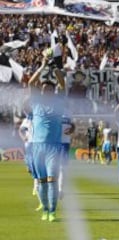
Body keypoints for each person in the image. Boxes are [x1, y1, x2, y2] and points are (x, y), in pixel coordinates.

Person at [27, 54, 65, 222]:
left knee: (52, 180)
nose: (46, 91)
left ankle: (53, 211)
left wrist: (54, 67)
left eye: (49, 89)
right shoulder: (36, 103)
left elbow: (63, 84)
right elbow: (30, 83)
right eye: (44, 89)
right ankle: (46, 209)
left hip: (53, 147)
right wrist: (42, 66)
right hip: (37, 146)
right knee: (41, 181)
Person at [18, 112, 42, 211]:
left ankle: (37, 188)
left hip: (37, 146)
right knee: (30, 170)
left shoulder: (40, 119)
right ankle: (36, 185)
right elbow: (20, 130)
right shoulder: (26, 120)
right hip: (28, 147)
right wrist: (23, 137)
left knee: (38, 172)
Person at [58, 113, 75, 200]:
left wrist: (71, 130)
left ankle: (60, 190)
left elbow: (73, 126)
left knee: (62, 168)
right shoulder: (52, 112)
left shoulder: (68, 114)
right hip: (53, 143)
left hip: (64, 144)